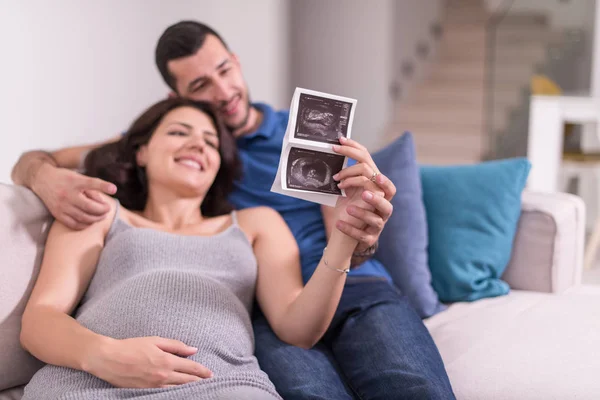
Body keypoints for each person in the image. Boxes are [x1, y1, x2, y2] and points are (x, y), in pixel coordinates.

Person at [12, 21, 456, 399]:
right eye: (200, 86)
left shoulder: (308, 134)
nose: (223, 92)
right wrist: (44, 178)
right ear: (173, 99)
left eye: (224, 70)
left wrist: (360, 235)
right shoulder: (166, 149)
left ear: (236, 61)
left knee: (411, 385)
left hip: (349, 287)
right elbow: (37, 159)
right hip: (260, 307)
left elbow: (344, 236)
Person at [20, 97, 381, 399]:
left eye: (210, 142)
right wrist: (105, 356)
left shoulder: (257, 223)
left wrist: (344, 240)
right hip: (89, 383)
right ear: (141, 151)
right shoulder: (99, 212)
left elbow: (298, 329)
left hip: (222, 386)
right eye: (179, 132)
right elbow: (40, 319)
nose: (198, 145)